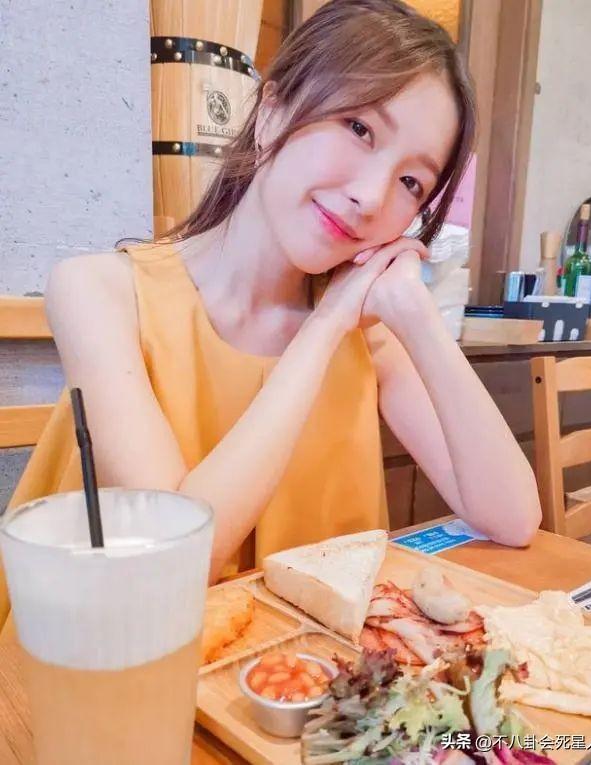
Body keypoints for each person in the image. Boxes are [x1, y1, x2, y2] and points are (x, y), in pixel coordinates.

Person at [6, 0, 541, 614]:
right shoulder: (98, 292)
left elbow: (512, 517)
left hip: (300, 666)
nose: (371, 197)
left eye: (411, 182)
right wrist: (325, 325)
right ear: (271, 111)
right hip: (114, 651)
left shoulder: (370, 335)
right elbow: (179, 560)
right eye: (359, 128)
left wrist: (416, 315)